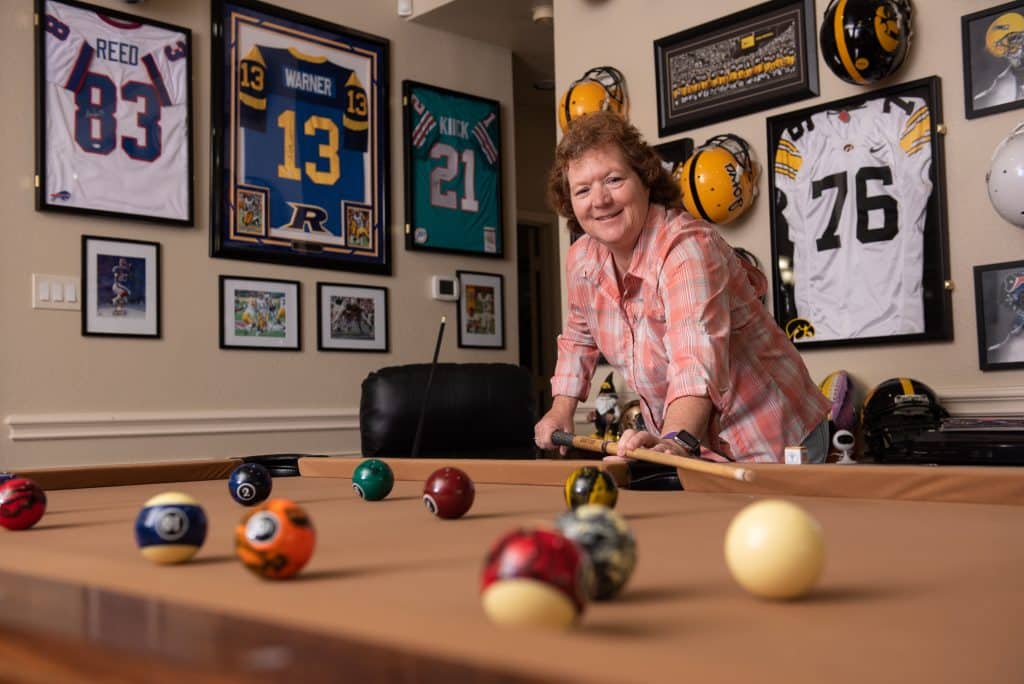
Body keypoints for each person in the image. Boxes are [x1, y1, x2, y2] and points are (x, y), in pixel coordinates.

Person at [533, 111, 830, 464]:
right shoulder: (582, 258)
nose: (599, 200)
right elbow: (579, 338)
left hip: (773, 437)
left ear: (645, 180)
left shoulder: (688, 249)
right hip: (688, 443)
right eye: (582, 189)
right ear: (570, 202)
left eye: (613, 179)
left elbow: (695, 360)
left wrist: (674, 441)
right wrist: (561, 408)